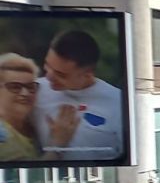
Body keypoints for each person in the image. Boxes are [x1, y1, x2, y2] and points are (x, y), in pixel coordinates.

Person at [33, 29, 124, 160]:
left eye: (60, 74)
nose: (48, 76)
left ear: (88, 74)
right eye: (47, 65)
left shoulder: (118, 103)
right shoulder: (33, 90)